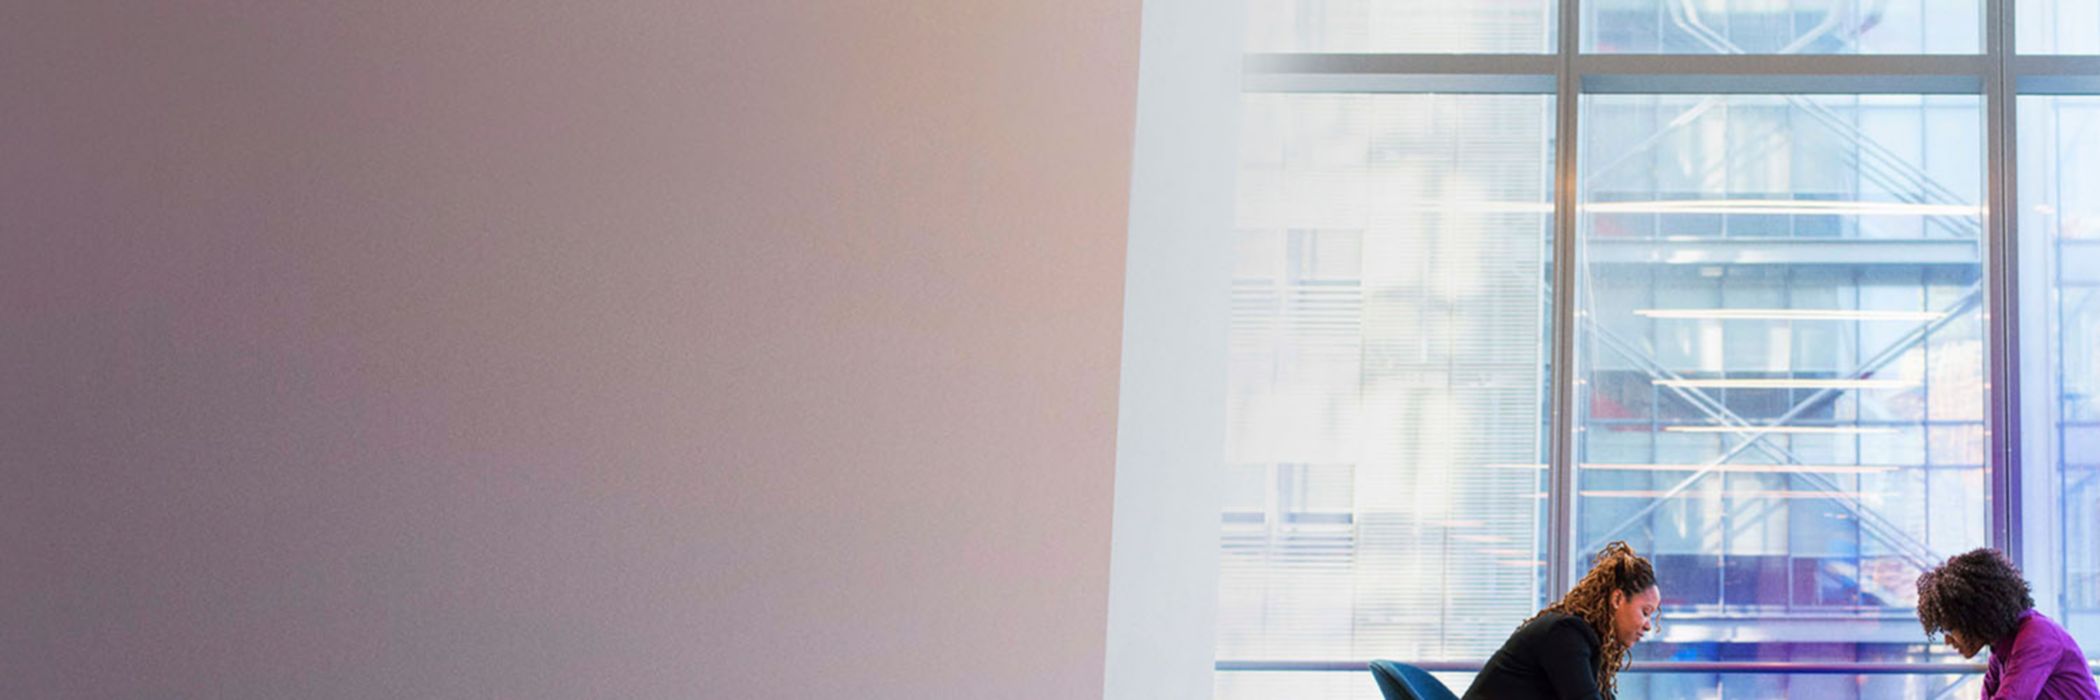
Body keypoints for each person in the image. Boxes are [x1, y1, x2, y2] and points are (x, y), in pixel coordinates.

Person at [1463, 542, 1660, 700]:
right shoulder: (1566, 634)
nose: (1648, 625)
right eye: (1645, 612)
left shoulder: (1584, 639)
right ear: (1617, 599)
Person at [1917, 548, 2100, 700]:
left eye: (1949, 629)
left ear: (1974, 616)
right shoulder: (2002, 648)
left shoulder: (2038, 636)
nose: (1948, 641)